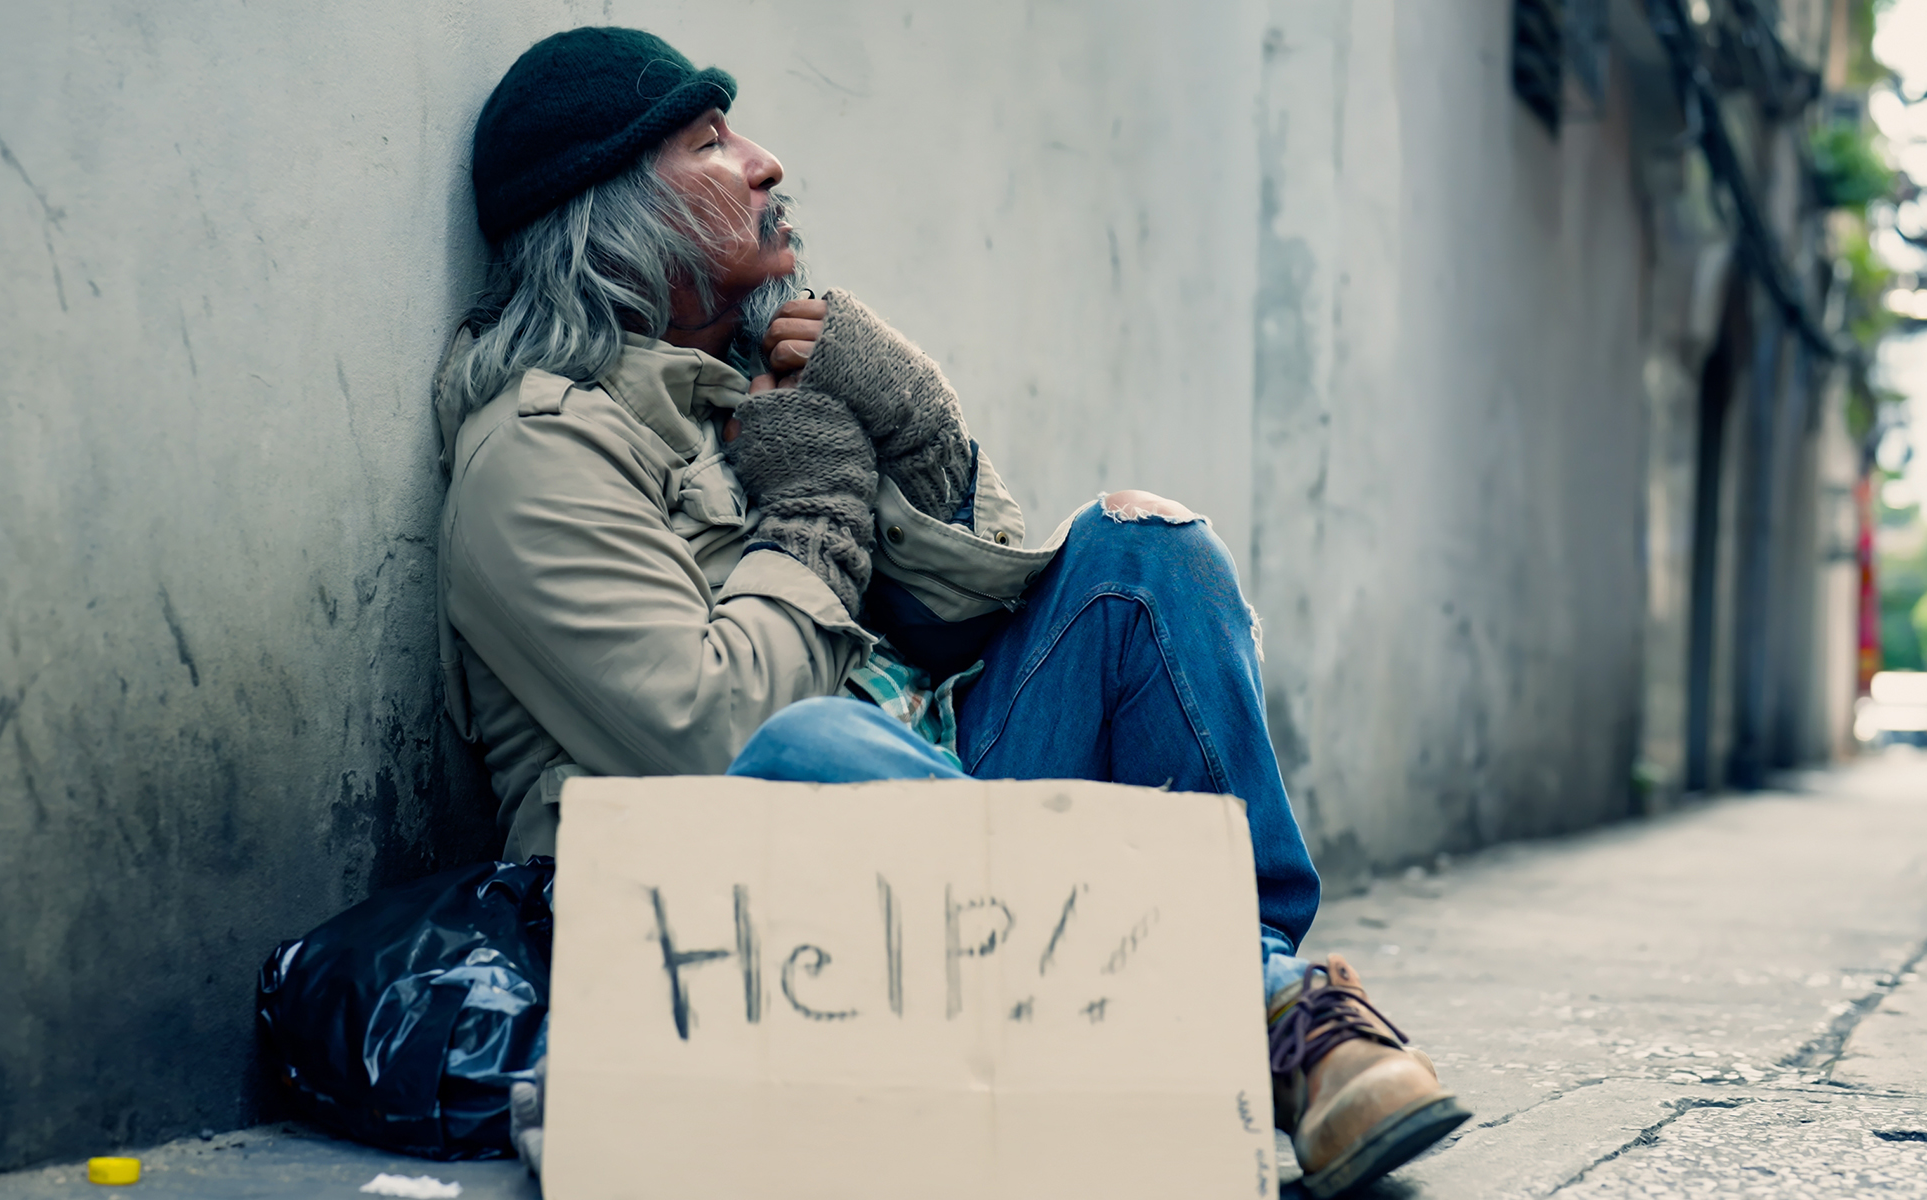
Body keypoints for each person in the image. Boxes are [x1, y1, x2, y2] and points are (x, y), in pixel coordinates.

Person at [436, 26, 1468, 1197]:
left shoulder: (754, 388)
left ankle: (1277, 1002)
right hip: (749, 919)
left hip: (951, 834)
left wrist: (919, 431)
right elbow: (717, 746)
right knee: (818, 740)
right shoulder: (539, 454)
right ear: (614, 216)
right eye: (712, 143)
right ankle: (1248, 1003)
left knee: (1141, 552)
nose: (768, 164)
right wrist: (819, 513)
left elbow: (965, 620)